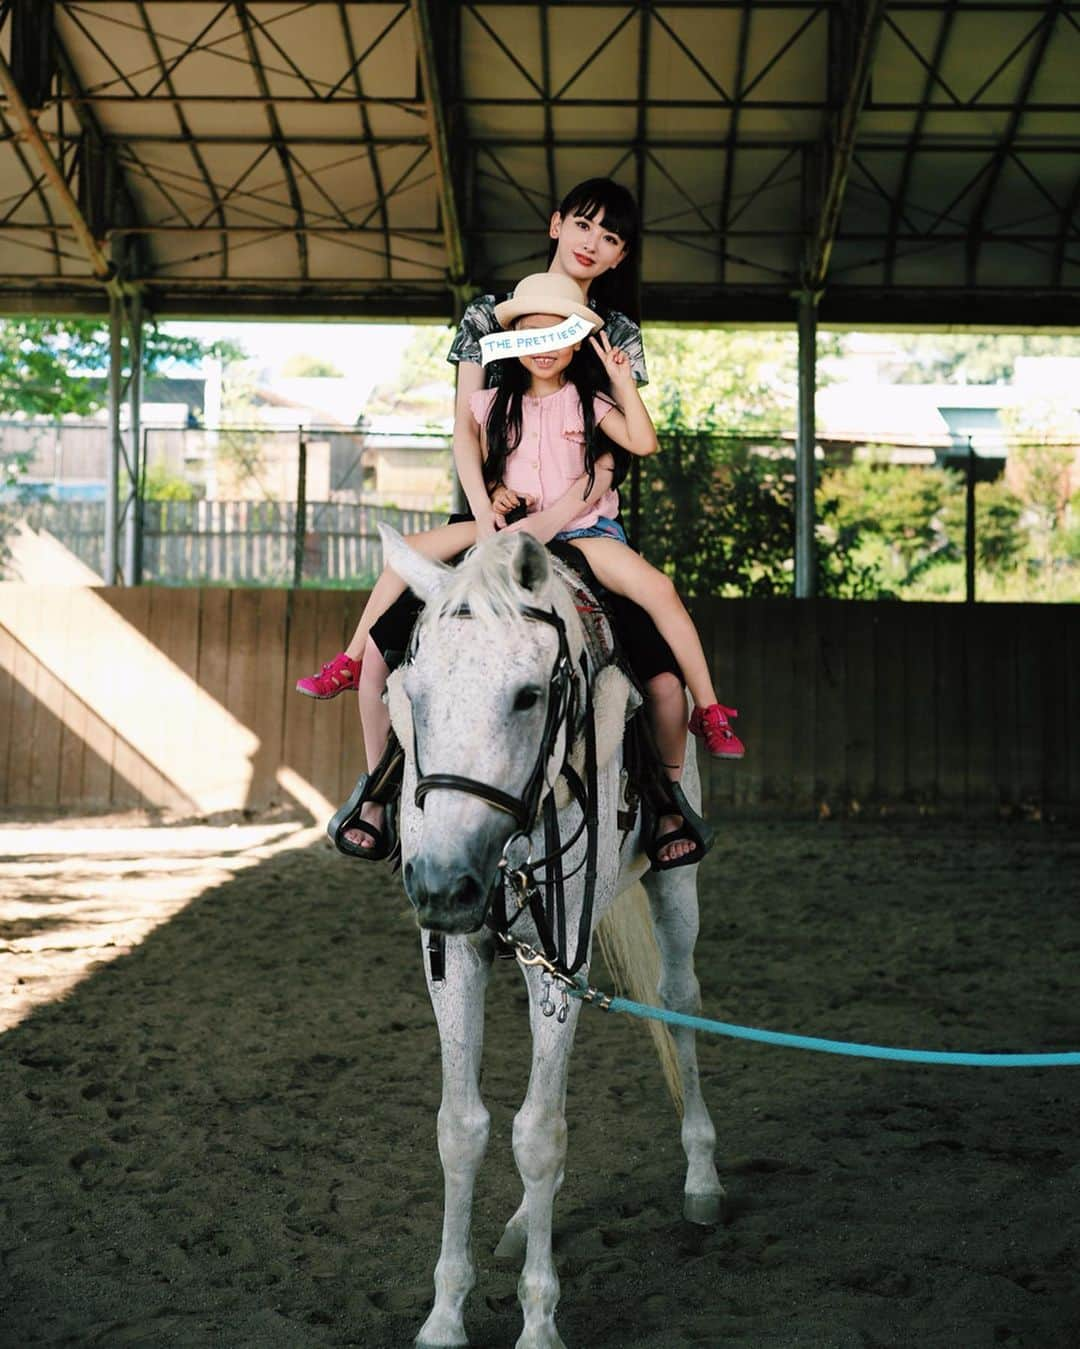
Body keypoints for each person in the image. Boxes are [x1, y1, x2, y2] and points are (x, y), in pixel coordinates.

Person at [297, 178, 742, 864]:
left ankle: (664, 803)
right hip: (494, 504)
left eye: (612, 238)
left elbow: (619, 444)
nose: (593, 244)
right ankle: (380, 789)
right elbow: (468, 426)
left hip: (584, 510)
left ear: (622, 256)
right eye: (585, 227)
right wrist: (488, 514)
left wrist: (578, 499)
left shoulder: (614, 334)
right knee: (395, 642)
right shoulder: (489, 317)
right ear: (556, 224)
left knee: (652, 666)